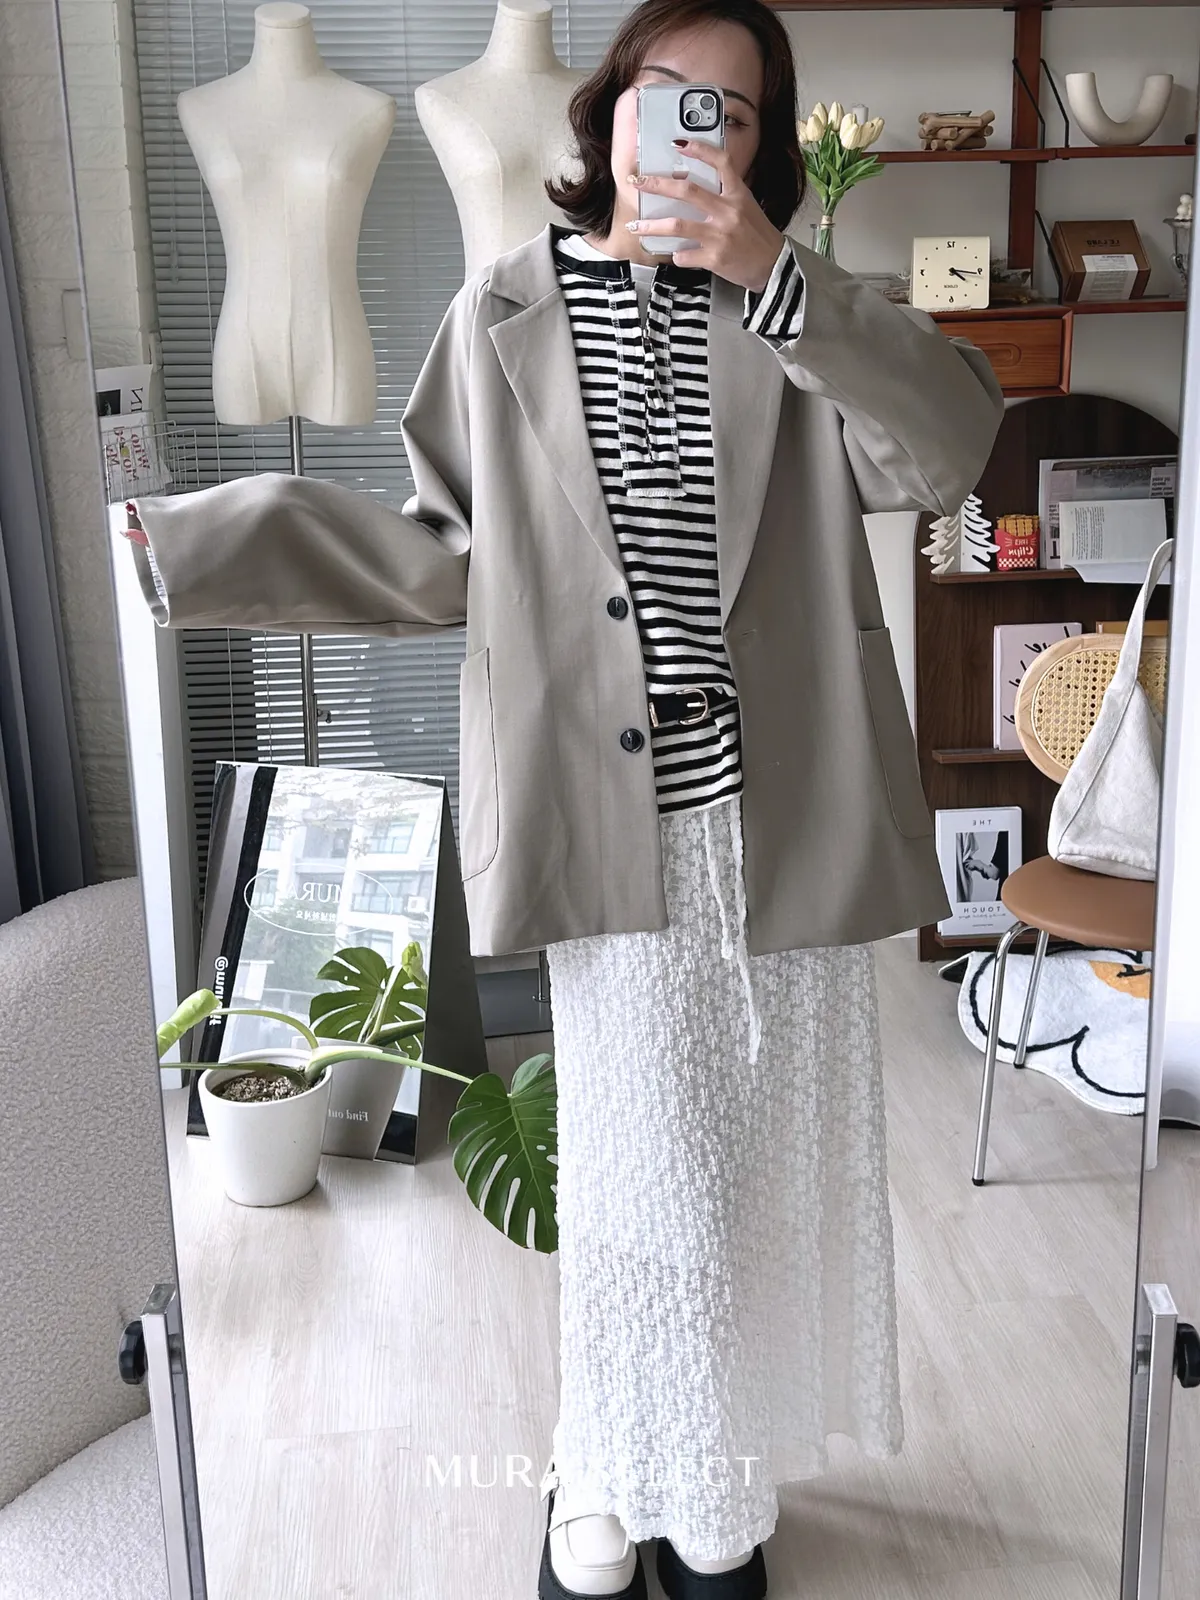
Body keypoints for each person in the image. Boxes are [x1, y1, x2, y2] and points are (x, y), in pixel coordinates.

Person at [122, 2, 1005, 1595]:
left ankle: (681, 1481)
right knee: (650, 1180)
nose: (700, 128)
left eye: (738, 111)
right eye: (674, 91)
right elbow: (436, 557)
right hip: (612, 829)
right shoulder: (505, 313)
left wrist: (779, 279)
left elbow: (946, 450)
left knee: (753, 1171)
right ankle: (644, 1485)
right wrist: (206, 540)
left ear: (761, 150)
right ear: (610, 111)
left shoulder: (796, 311)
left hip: (783, 816)